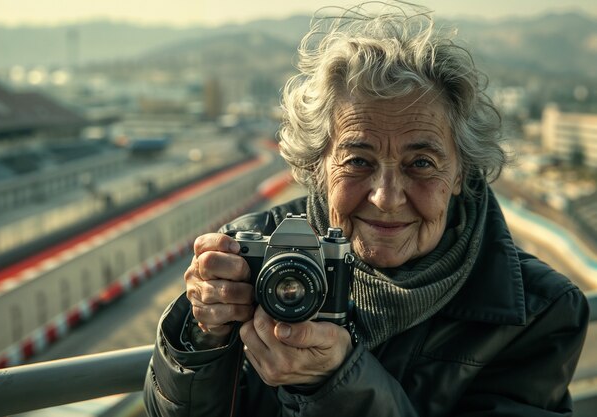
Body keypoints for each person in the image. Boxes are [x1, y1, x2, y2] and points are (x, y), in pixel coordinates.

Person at [143, 2, 589, 416]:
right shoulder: (251, 252)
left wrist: (337, 383)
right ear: (319, 166)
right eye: (358, 161)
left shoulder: (540, 313)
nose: (386, 196)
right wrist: (201, 335)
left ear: (460, 174)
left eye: (421, 163)